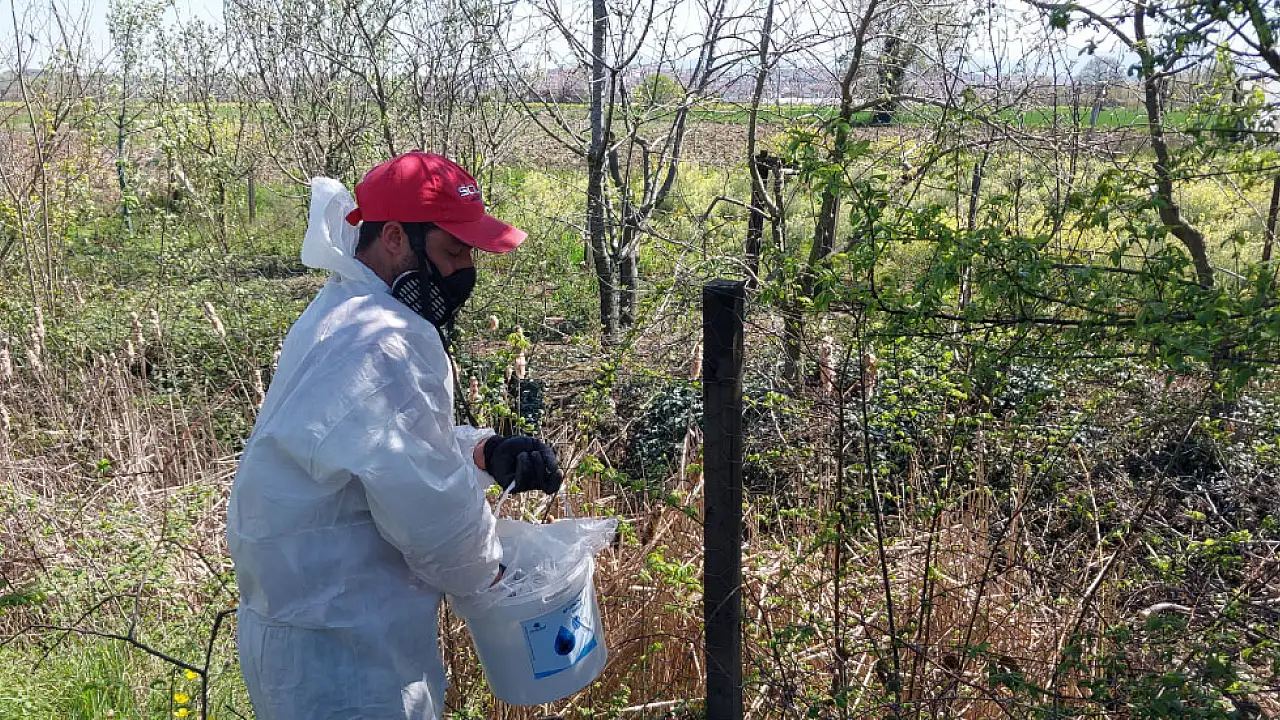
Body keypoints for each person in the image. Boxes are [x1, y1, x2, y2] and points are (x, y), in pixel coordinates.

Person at [227, 152, 564, 720]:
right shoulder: (383, 338)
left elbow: (375, 448)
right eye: (453, 251)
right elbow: (432, 514)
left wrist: (482, 452)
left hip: (317, 634)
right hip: (348, 656)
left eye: (471, 254)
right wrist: (496, 579)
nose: (464, 271)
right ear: (393, 237)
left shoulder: (344, 310)